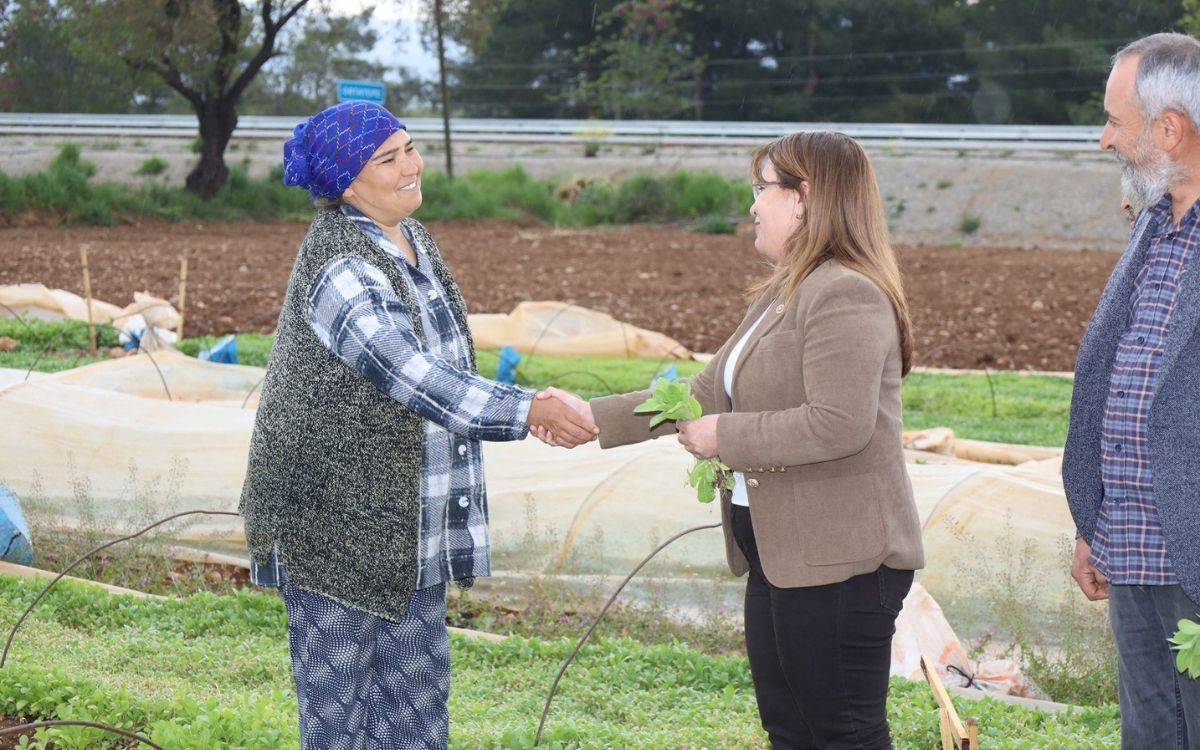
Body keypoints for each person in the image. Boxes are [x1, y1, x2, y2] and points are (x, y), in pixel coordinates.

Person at [535, 131, 924, 749]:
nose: (752, 205)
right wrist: (596, 417)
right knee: (792, 731)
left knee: (842, 734)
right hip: (782, 553)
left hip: (839, 562)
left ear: (805, 199)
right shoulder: (787, 289)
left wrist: (726, 437)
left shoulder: (846, 292)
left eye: (762, 188)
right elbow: (706, 389)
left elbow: (839, 423)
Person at [238, 101, 596, 750]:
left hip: (409, 535)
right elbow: (413, 375)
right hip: (335, 534)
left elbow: (445, 364)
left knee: (418, 721)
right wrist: (528, 410)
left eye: (411, 147)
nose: (413, 164)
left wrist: (524, 402)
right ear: (347, 182)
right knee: (340, 723)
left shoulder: (413, 240)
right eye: (390, 158)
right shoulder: (340, 265)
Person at [1063, 32, 1200, 750]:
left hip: (1195, 558)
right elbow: (1114, 382)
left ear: (1169, 129)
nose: (1104, 139)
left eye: (1116, 121)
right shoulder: (1156, 224)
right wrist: (1096, 521)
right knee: (1150, 737)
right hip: (1136, 550)